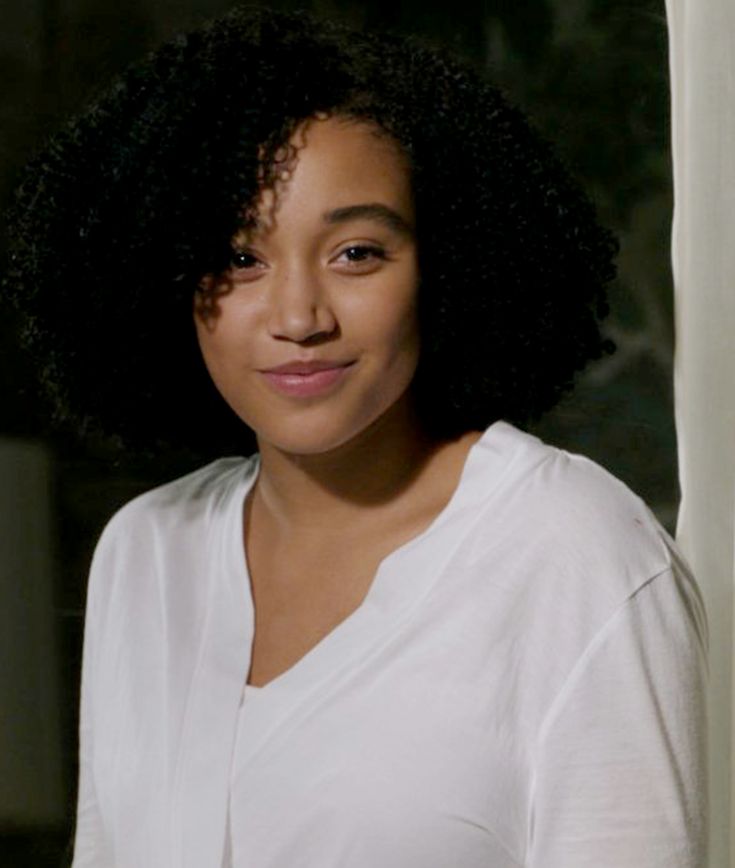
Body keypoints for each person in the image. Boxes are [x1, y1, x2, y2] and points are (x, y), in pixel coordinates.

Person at [3, 6, 707, 867]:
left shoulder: (573, 550)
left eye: (357, 253)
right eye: (238, 257)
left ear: (444, 262)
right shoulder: (145, 551)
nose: (298, 316)